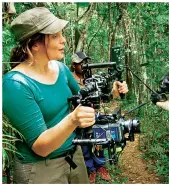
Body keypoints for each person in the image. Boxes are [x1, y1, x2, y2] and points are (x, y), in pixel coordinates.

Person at [2, 7, 95, 184]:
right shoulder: (15, 84)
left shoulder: (60, 69)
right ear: (34, 44)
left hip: (74, 157)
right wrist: (72, 119)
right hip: (41, 168)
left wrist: (110, 91)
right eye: (55, 36)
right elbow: (41, 147)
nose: (63, 41)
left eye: (62, 34)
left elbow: (83, 98)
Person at [71, 52, 128, 183]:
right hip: (80, 119)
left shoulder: (94, 78)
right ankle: (91, 169)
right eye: (81, 63)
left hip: (97, 115)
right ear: (74, 65)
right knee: (85, 145)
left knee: (100, 141)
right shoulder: (70, 80)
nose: (84, 65)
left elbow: (108, 96)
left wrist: (119, 89)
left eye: (86, 62)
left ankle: (100, 167)